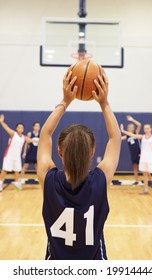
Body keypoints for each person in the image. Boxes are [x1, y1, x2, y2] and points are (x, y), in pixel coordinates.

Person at [37, 71, 121, 260]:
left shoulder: (48, 179)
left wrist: (65, 101)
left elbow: (44, 135)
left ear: (59, 151)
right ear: (92, 152)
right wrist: (104, 103)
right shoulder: (100, 181)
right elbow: (116, 138)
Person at [120, 123, 152, 196]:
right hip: (143, 158)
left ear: (151, 129)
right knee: (144, 174)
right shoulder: (142, 136)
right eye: (145, 128)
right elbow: (132, 135)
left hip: (151, 159)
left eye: (147, 128)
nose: (146, 130)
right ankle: (145, 189)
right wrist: (122, 130)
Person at [0, 115, 38, 191]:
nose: (20, 129)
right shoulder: (13, 134)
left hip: (17, 157)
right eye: (19, 127)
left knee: (17, 171)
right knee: (5, 170)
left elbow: (31, 140)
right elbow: (6, 128)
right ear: (16, 128)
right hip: (9, 156)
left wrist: (41, 140)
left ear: (23, 129)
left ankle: (17, 184)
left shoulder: (23, 137)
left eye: (22, 128)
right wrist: (1, 121)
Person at [121, 115, 141, 185]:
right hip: (133, 153)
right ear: (128, 128)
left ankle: (150, 180)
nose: (131, 128)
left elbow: (139, 125)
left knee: (144, 167)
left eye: (132, 127)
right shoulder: (127, 136)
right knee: (135, 167)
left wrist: (132, 120)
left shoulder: (136, 133)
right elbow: (119, 138)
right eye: (129, 127)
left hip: (139, 152)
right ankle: (136, 180)